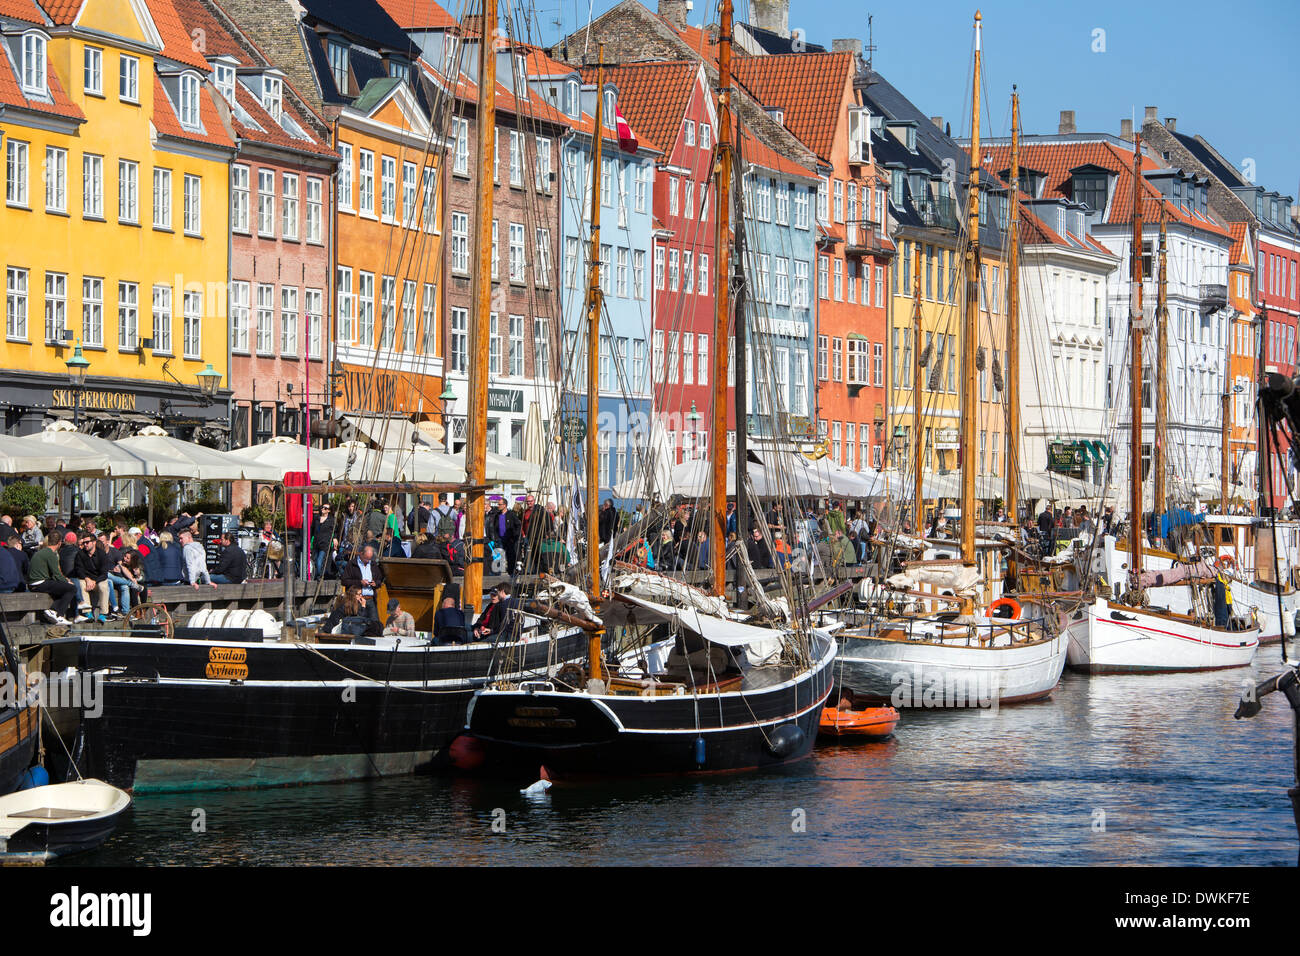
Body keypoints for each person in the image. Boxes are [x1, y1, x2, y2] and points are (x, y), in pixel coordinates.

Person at [28, 533, 76, 624]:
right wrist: (67, 581)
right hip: (39, 583)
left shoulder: (40, 552)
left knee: (61, 589)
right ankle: (59, 615)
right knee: (72, 589)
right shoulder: (51, 554)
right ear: (59, 543)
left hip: (33, 583)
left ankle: (53, 610)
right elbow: (56, 574)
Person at [340, 544, 383, 624]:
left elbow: (380, 579)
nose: (367, 561)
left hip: (370, 599)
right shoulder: (352, 564)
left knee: (375, 623)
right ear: (361, 553)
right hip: (357, 600)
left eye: (369, 559)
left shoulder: (373, 565)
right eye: (366, 558)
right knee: (358, 623)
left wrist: (375, 583)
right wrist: (360, 582)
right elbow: (344, 581)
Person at [73, 532, 111, 622]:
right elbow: (79, 570)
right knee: (81, 584)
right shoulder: (80, 554)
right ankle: (88, 613)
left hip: (98, 580)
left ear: (94, 542)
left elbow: (104, 573)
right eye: (83, 543)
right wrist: (87, 579)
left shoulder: (101, 554)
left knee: (104, 586)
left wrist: (95, 581)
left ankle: (103, 614)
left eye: (87, 542)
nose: (85, 545)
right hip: (87, 579)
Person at [312, 504, 335, 579]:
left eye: (325, 508)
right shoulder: (316, 518)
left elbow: (335, 531)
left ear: (328, 510)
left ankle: (320, 576)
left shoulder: (331, 520)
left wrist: (335, 538)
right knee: (314, 560)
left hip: (324, 544)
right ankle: (318, 575)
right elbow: (312, 530)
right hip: (316, 543)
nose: (323, 509)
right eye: (322, 507)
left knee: (319, 560)